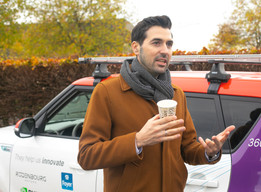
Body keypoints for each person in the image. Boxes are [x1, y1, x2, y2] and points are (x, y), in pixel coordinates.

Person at [78, 15, 235, 192]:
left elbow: (187, 148)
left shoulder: (176, 94)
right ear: (136, 48)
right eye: (156, 43)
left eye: (169, 44)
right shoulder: (107, 92)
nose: (165, 50)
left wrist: (209, 152)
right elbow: (87, 156)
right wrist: (137, 140)